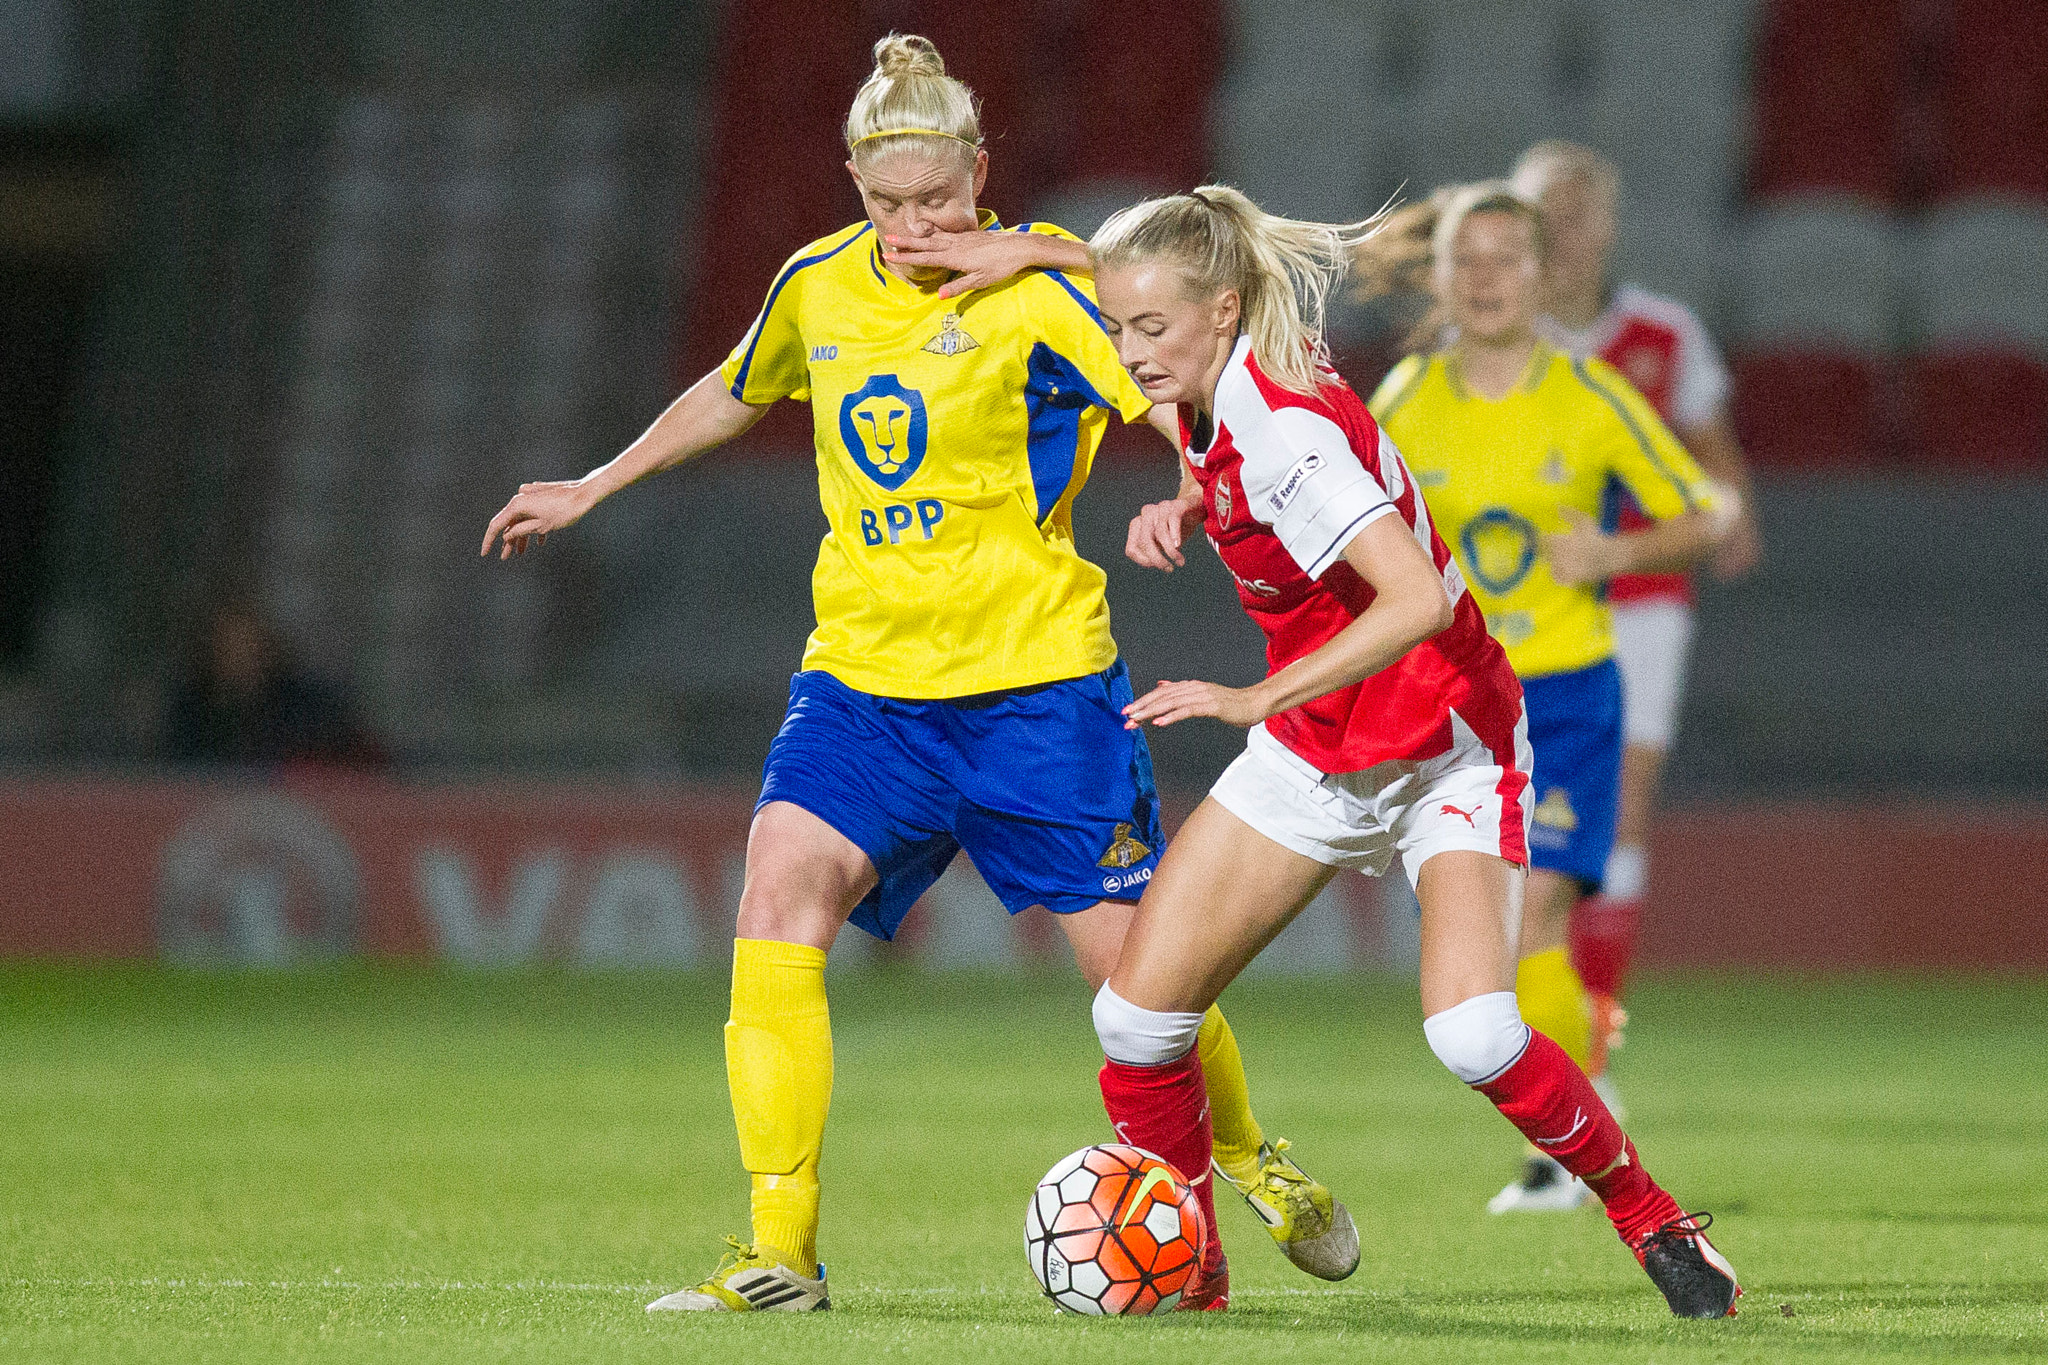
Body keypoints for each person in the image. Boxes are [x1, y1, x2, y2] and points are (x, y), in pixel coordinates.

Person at [479, 34, 1352, 1314]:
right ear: (849, 181)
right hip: (862, 688)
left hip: (1035, 689)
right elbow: (737, 388)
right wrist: (597, 483)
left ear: (980, 174)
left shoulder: (1034, 289)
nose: (911, 224)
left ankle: (1242, 1152)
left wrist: (1178, 484)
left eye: (936, 199)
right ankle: (781, 1249)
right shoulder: (817, 284)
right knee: (779, 891)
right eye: (885, 201)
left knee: (1135, 981)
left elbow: (1172, 391)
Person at [1068, 183, 1739, 1318]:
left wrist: (1251, 696)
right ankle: (1193, 1282)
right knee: (1134, 1022)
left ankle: (1654, 1222)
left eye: (1151, 329)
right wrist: (1186, 498)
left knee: (1473, 1031)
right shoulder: (1207, 393)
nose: (1129, 353)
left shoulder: (1282, 425)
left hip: (1443, 741)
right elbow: (1220, 450)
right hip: (1320, 742)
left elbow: (1415, 598)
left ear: (1221, 311)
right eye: (1116, 327)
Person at [1362, 183, 1732, 1213]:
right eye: (1463, 261)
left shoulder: (1588, 394)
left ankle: (1564, 1153)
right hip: (1453, 701)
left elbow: (1702, 512)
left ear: (1542, 275)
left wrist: (1613, 547)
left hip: (1564, 694)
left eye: (1503, 260)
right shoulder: (1402, 397)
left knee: (1534, 920)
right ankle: (1583, 1109)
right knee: (1494, 934)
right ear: (1437, 278)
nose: (1483, 280)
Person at [1507, 141, 1762, 1094]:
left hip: (1639, 604)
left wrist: (1725, 518)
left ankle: (1592, 1047)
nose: (1564, 228)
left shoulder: (1664, 334)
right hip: (1517, 613)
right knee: (1526, 831)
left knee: (1616, 816)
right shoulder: (1490, 340)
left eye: (1581, 209)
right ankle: (1544, 1017)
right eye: (1545, 209)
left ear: (1610, 225)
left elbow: (1719, 471)